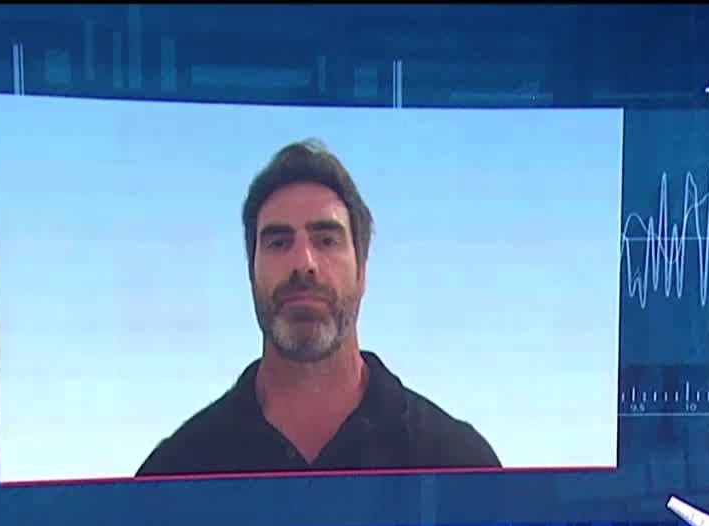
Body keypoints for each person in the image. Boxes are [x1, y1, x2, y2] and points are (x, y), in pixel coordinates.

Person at [135, 139, 500, 477]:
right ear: (251, 273)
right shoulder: (174, 473)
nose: (304, 263)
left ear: (362, 271)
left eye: (326, 240)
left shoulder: (458, 464)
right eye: (279, 243)